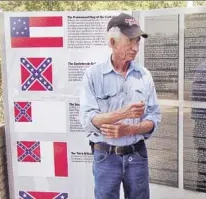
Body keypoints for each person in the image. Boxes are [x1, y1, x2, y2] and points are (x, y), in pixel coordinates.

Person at [79, 13, 161, 199]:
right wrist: (123, 113)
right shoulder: (93, 75)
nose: (135, 48)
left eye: (137, 42)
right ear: (112, 42)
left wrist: (130, 129)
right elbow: (87, 119)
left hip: (137, 155)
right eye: (130, 41)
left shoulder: (144, 75)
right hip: (105, 156)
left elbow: (154, 117)